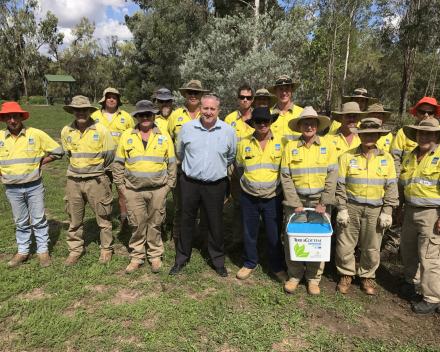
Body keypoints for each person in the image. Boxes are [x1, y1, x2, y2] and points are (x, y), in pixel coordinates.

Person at [169, 94, 237, 277]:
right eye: (205, 108)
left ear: (218, 111)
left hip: (215, 185)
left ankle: (218, 261)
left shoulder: (228, 131)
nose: (208, 112)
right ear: (199, 109)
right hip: (190, 182)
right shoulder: (187, 128)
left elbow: (230, 156)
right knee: (186, 221)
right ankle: (181, 258)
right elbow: (181, 152)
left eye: (212, 109)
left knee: (216, 223)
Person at [335, 118, 398, 295]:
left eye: (372, 134)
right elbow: (340, 185)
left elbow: (391, 186)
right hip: (352, 206)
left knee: (372, 245)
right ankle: (346, 274)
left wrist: (388, 211)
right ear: (359, 135)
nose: (368, 137)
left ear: (378, 135)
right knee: (345, 243)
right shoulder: (347, 156)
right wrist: (342, 208)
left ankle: (367, 275)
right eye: (364, 134)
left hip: (376, 209)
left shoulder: (387, 158)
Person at [113, 100, 176, 274]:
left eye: (149, 114)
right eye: (142, 115)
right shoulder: (127, 135)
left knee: (155, 224)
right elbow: (118, 164)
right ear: (137, 116)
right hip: (133, 190)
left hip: (158, 189)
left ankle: (155, 255)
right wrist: (122, 188)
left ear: (154, 115)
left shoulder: (164, 136)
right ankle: (137, 257)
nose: (145, 117)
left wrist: (167, 187)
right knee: (137, 224)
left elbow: (172, 165)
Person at [280, 107, 337, 296]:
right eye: (305, 123)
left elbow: (332, 175)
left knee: (317, 240)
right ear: (300, 126)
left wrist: (324, 202)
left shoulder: (328, 146)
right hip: (296, 202)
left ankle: (313, 279)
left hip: (320, 202)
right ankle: (295, 276)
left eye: (313, 123)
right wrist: (294, 202)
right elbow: (286, 176)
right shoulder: (290, 147)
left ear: (318, 126)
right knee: (293, 238)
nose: (309, 126)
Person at [0, 102, 63, 268]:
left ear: (22, 117)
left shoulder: (35, 134)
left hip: (34, 185)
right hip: (12, 188)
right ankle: (23, 251)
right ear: (4, 118)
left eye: (16, 116)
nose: (12, 120)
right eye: (8, 116)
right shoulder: (0, 137)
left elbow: (58, 152)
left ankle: (43, 252)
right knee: (20, 221)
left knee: (39, 220)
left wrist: (39, 163)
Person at [382, 97, 440, 261]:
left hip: (432, 207)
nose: (427, 114)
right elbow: (395, 158)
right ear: (416, 113)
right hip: (407, 193)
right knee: (408, 244)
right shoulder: (404, 138)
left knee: (429, 253)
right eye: (423, 111)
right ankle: (393, 248)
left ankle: (428, 283)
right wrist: (400, 183)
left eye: (431, 112)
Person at [234, 107, 288, 281]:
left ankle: (277, 266)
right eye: (258, 121)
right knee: (249, 232)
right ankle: (250, 262)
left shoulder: (283, 142)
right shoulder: (243, 144)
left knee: (274, 234)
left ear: (271, 122)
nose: (262, 124)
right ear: (253, 124)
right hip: (248, 196)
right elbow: (238, 169)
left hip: (273, 197)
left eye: (266, 121)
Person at [61, 96, 115, 266]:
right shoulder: (66, 131)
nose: (81, 112)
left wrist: (95, 171)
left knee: (103, 217)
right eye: (78, 110)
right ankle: (75, 250)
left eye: (84, 109)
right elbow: (68, 155)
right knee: (74, 218)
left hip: (97, 180)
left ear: (89, 111)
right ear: (73, 111)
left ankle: (106, 249)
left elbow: (109, 156)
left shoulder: (101, 130)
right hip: (74, 180)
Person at [396, 117, 440, 314]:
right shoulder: (410, 157)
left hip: (432, 213)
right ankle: (411, 282)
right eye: (421, 133)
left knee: (429, 255)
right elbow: (403, 185)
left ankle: (431, 297)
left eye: (429, 134)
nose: (424, 137)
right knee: (409, 250)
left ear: (436, 136)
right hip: (410, 211)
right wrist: (399, 208)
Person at [167, 80, 210, 250]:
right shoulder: (175, 116)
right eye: (190, 92)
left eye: (196, 93)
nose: (193, 95)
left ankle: (205, 237)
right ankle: (177, 235)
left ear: (201, 96)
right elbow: (170, 142)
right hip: (181, 170)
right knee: (180, 206)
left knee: (205, 207)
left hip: (204, 170)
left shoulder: (209, 114)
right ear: (185, 94)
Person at [91, 88, 135, 226]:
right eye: (108, 97)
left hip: (121, 163)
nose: (111, 99)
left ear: (118, 101)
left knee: (122, 191)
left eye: (114, 97)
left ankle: (124, 220)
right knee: (104, 192)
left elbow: (133, 137)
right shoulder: (94, 116)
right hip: (101, 163)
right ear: (104, 100)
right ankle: (105, 221)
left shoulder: (126, 117)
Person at [224, 85, 254, 253]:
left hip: (256, 171)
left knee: (255, 207)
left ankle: (254, 240)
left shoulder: (258, 118)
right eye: (242, 97)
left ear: (252, 100)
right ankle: (238, 239)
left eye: (248, 97)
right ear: (237, 98)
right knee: (238, 206)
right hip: (236, 171)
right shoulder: (229, 119)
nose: (245, 100)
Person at [268, 75, 304, 141]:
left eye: (287, 89)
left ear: (292, 90)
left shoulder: (302, 113)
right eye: (281, 89)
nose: (284, 93)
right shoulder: (268, 114)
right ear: (275, 91)